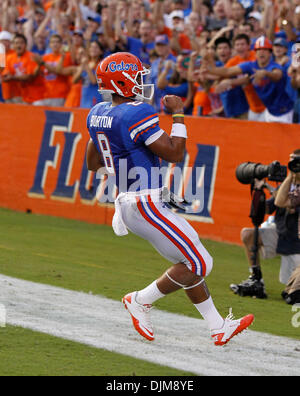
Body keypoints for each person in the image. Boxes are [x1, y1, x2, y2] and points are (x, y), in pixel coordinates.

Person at [85, 51, 254, 346]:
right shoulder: (136, 112)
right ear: (123, 81)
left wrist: (127, 165)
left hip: (129, 199)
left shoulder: (98, 112)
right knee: (200, 262)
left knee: (186, 261)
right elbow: (175, 152)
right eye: (136, 76)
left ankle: (217, 327)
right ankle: (140, 300)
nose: (141, 80)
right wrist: (178, 114)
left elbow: (92, 162)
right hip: (143, 202)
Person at [232, 149, 300, 299]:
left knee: (291, 294)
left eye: (296, 162)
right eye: (292, 162)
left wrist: (284, 182)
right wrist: (258, 193)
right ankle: (256, 278)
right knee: (248, 234)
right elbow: (269, 208)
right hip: (281, 236)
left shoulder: (290, 185)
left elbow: (284, 202)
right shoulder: (286, 185)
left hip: (296, 244)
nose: (293, 166)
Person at [203, 36, 295, 123]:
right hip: (268, 111)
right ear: (255, 52)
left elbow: (277, 75)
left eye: (264, 50)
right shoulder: (251, 65)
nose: (261, 52)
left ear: (270, 53)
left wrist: (265, 73)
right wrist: (212, 68)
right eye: (258, 50)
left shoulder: (274, 66)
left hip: (284, 111)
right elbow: (228, 71)